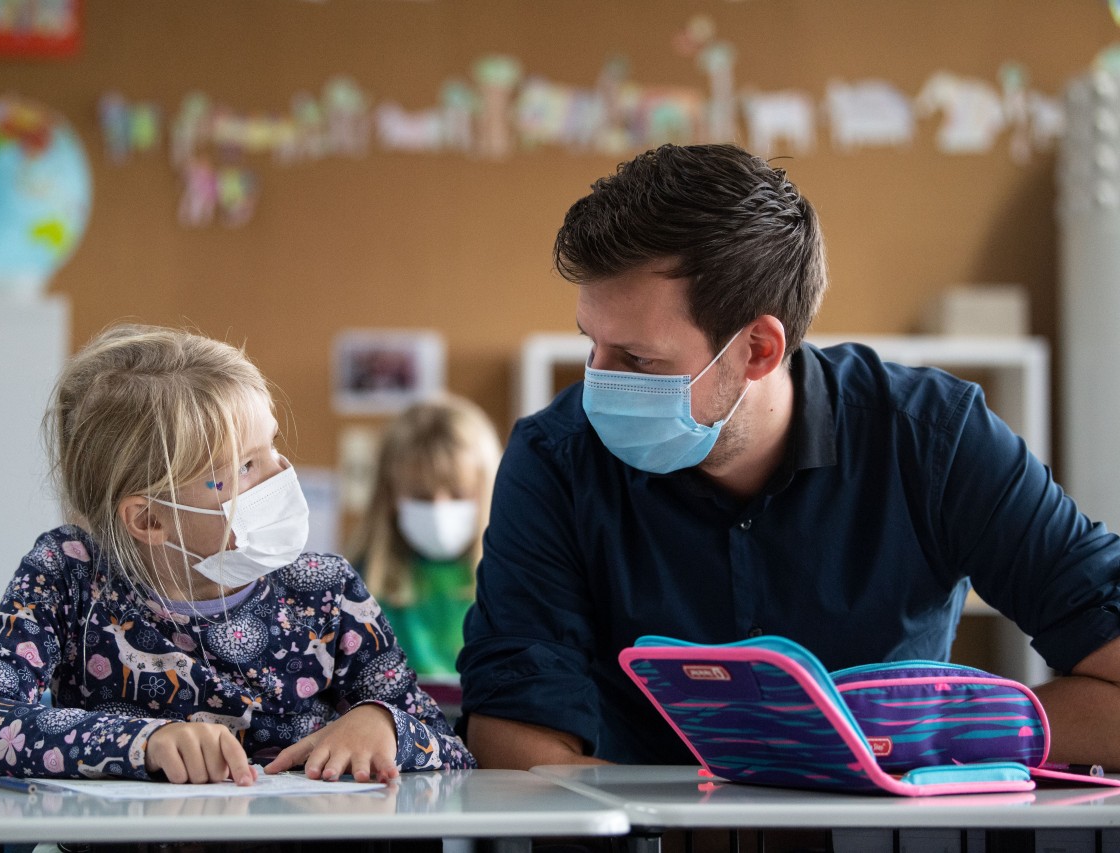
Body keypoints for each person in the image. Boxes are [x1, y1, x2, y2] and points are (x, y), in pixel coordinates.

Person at [458, 143, 1120, 770]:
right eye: (591, 344)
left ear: (758, 350)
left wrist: (944, 725)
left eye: (637, 359)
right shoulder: (556, 458)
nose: (598, 382)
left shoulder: (934, 440)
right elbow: (514, 732)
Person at [0, 323, 475, 784]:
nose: (280, 475)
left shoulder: (326, 592)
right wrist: (145, 744)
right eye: (240, 468)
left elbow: (453, 754)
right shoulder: (69, 573)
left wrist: (384, 725)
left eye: (271, 448)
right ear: (149, 519)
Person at [346, 395, 503, 680]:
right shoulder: (357, 586)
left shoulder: (512, 584)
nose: (440, 509)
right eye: (421, 496)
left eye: (458, 493)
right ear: (389, 495)